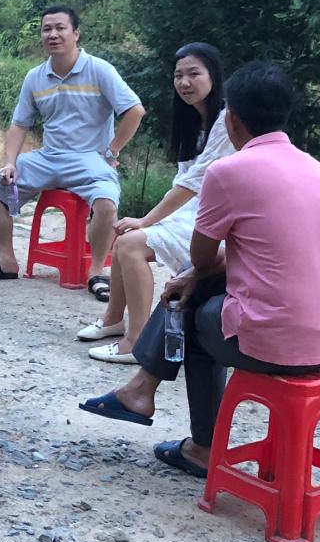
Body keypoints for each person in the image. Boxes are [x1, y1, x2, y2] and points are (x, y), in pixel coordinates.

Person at [80, 61, 320, 478]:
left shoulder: (229, 171)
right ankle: (140, 391)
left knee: (196, 313)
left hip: (275, 344)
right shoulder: (313, 168)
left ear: (231, 119)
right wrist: (197, 274)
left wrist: (194, 275)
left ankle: (199, 445)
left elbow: (203, 258)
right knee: (198, 288)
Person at [0, 5, 146, 300]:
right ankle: (7, 260)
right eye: (46, 29)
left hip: (90, 159)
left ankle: (96, 272)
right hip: (48, 158)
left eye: (60, 28)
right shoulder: (35, 77)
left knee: (106, 202)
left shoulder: (99, 70)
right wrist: (10, 163)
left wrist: (112, 151)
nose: (52, 34)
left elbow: (135, 110)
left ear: (76, 33)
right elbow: (19, 125)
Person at [78, 43, 235, 364]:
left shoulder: (226, 121)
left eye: (194, 74)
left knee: (132, 242)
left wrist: (146, 220)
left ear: (214, 76)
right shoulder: (192, 121)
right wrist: (146, 221)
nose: (184, 83)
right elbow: (185, 182)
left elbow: (192, 184)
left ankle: (137, 343)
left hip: (218, 217)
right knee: (126, 237)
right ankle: (113, 320)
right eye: (178, 75)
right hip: (194, 210)